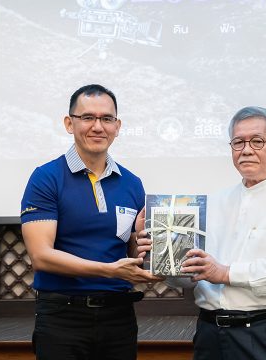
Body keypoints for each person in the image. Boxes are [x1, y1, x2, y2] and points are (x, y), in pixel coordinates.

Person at [138, 106, 266, 360]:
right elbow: (192, 275)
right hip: (209, 333)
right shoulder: (213, 202)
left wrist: (225, 273)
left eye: (257, 141)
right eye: (238, 142)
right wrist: (160, 255)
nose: (246, 150)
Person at [21, 84, 161, 360]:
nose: (98, 126)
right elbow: (41, 257)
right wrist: (110, 271)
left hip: (119, 317)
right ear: (69, 123)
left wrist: (142, 243)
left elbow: (131, 253)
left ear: (117, 126)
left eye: (106, 118)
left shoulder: (132, 183)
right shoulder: (46, 178)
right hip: (63, 317)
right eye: (87, 117)